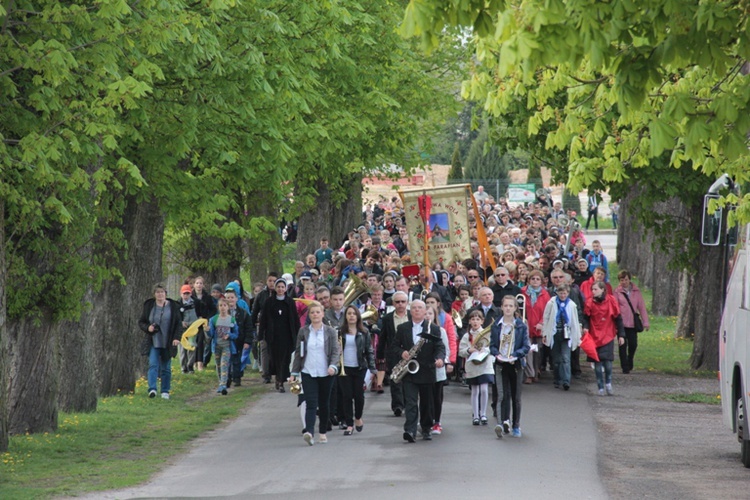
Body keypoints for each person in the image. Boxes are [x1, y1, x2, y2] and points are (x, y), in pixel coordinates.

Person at [390, 300, 445, 443]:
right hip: (410, 371)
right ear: (410, 310)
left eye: (420, 308)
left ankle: (426, 429)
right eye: (414, 308)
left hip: (427, 370)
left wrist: (439, 359)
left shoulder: (432, 328)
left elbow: (439, 346)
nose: (416, 310)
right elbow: (394, 346)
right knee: (411, 402)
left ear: (424, 310)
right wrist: (402, 352)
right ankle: (410, 430)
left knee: (427, 403)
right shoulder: (403, 328)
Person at [290, 301, 340, 446]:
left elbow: (336, 351)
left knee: (324, 404)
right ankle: (309, 432)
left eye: (318, 312)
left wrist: (333, 366)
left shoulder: (330, 332)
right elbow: (299, 353)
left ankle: (322, 432)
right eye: (312, 312)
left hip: (326, 373)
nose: (315, 315)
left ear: (323, 314)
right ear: (309, 315)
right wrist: (294, 372)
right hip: (308, 372)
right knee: (311, 403)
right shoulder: (304, 331)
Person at [490, 295, 530, 438]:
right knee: (501, 394)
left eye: (510, 306)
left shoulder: (520, 325)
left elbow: (526, 346)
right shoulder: (496, 325)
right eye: (505, 305)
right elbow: (492, 346)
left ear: (515, 308)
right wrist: (497, 354)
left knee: (516, 396)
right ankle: (501, 423)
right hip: (501, 363)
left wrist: (515, 354)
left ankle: (516, 425)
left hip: (516, 364)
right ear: (501, 307)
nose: (507, 308)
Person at [137, 283, 182, 399]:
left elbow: (178, 324)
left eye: (162, 292)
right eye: (157, 292)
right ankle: (152, 389)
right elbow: (141, 321)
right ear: (154, 294)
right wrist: (148, 328)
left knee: (166, 367)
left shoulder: (173, 306)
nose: (160, 294)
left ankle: (165, 391)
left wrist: (177, 338)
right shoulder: (149, 306)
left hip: (168, 341)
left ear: (166, 294)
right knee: (153, 364)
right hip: (154, 340)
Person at [338, 305, 376, 435]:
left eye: (354, 313)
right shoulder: (340, 332)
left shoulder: (364, 332)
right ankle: (349, 424)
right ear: (346, 316)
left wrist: (372, 369)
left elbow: (369, 351)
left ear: (358, 316)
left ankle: (358, 417)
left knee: (359, 396)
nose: (351, 316)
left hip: (360, 367)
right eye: (349, 313)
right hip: (345, 368)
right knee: (347, 396)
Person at [258, 278, 300, 393]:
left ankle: (281, 380)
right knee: (275, 358)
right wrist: (261, 335)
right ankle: (278, 378)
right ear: (275, 288)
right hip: (273, 336)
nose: (280, 289)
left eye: (282, 287)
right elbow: (263, 320)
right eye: (278, 287)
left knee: (285, 359)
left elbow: (295, 320)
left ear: (285, 288)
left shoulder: (290, 302)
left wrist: (298, 334)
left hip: (287, 336)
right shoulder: (269, 302)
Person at [584, 282, 625, 396]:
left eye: (596, 289)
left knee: (607, 363)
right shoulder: (589, 302)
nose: (593, 292)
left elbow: (618, 319)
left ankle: (608, 383)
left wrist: (621, 335)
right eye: (592, 289)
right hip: (594, 335)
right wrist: (586, 328)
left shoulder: (611, 301)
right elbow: (586, 317)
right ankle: (600, 386)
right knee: (597, 362)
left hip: (607, 334)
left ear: (603, 289)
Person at [542, 283, 582, 390]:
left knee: (566, 358)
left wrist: (577, 336)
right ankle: (557, 379)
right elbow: (546, 317)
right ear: (557, 293)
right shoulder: (551, 303)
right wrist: (545, 333)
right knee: (556, 359)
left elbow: (575, 321)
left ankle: (566, 380)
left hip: (567, 334)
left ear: (568, 293)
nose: (563, 295)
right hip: (555, 333)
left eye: (564, 293)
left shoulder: (572, 305)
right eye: (560, 293)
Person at [376, 291, 410, 416]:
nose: (400, 304)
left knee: (409, 380)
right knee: (395, 379)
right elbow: (383, 337)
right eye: (397, 302)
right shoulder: (387, 318)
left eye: (403, 302)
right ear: (393, 303)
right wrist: (380, 355)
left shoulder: (412, 316)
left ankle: (408, 404)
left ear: (407, 303)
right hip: (393, 353)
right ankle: (397, 406)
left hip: (410, 353)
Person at [459, 310, 494, 426]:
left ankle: (483, 413)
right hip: (472, 365)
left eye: (478, 319)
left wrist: (486, 350)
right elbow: (461, 351)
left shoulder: (486, 333)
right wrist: (469, 350)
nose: (475, 322)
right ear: (469, 321)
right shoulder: (466, 336)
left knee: (484, 390)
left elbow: (491, 346)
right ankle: (475, 415)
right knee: (475, 391)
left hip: (484, 364)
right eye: (473, 319)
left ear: (482, 321)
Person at [615, 270, 649, 374]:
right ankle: (624, 366)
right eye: (622, 280)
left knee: (633, 344)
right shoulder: (617, 292)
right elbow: (615, 307)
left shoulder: (636, 292)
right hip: (621, 323)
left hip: (633, 323)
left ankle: (630, 359)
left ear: (629, 279)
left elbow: (642, 307)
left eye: (626, 279)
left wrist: (645, 322)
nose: (624, 282)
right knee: (622, 345)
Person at [425, 303, 452, 435]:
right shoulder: (419, 329)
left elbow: (446, 350)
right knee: (425, 396)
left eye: (430, 313)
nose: (427, 316)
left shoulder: (441, 331)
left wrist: (443, 361)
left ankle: (437, 422)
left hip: (437, 369)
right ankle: (426, 419)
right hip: (424, 369)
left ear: (434, 316)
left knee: (437, 396)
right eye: (425, 314)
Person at [522, 270, 551, 384]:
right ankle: (529, 374)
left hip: (539, 327)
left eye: (538, 279)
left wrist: (542, 323)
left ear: (541, 281)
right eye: (532, 279)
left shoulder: (545, 294)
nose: (535, 281)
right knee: (528, 351)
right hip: (527, 326)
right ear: (528, 280)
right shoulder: (523, 292)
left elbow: (547, 311)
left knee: (537, 352)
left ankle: (536, 370)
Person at [251, 272, 280, 384]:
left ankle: (278, 373)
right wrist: (253, 326)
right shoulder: (261, 295)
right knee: (264, 349)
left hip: (278, 326)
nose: (272, 283)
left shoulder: (281, 293)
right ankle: (266, 374)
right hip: (264, 326)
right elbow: (255, 311)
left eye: (274, 281)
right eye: (270, 281)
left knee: (277, 350)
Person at [207, 298, 239, 395]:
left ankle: (223, 385)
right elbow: (211, 334)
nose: (223, 308)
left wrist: (229, 336)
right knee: (219, 365)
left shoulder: (232, 319)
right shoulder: (214, 319)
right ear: (218, 307)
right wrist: (207, 330)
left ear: (228, 307)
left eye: (225, 305)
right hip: (217, 346)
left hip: (227, 346)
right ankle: (221, 382)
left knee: (224, 364)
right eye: (221, 306)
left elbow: (236, 334)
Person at [222, 287, 253, 388]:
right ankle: (227, 378)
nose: (230, 299)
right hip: (226, 340)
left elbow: (249, 328)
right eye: (228, 298)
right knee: (227, 360)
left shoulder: (243, 313)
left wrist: (247, 341)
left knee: (236, 360)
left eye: (232, 297)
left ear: (236, 299)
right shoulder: (222, 313)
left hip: (239, 340)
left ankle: (237, 377)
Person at [192, 277, 216, 372]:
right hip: (192, 323)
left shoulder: (207, 297)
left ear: (203, 285)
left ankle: (200, 363)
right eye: (197, 283)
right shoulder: (190, 296)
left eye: (200, 283)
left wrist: (207, 319)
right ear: (194, 284)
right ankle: (192, 362)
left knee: (201, 342)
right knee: (193, 342)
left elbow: (213, 310)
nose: (199, 285)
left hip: (203, 323)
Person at [177, 284, 198, 374]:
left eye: (187, 293)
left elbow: (202, 311)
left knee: (192, 346)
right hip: (183, 329)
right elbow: (175, 316)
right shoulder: (178, 304)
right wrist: (181, 322)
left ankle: (190, 366)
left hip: (193, 328)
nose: (186, 295)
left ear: (190, 293)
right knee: (182, 348)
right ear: (181, 294)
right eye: (184, 293)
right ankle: (183, 367)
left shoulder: (196, 302)